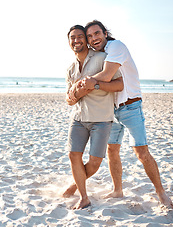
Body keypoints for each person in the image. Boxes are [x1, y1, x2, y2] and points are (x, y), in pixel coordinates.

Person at [81, 20, 173, 208]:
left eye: (97, 33)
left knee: (141, 152)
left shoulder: (116, 46)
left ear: (105, 33)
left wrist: (83, 84)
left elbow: (107, 75)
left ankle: (161, 192)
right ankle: (117, 190)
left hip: (131, 107)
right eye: (90, 36)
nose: (94, 38)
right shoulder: (98, 55)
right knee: (112, 150)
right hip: (111, 110)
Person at [65, 25, 123, 209]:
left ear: (86, 39)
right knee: (74, 155)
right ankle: (84, 197)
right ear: (69, 42)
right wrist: (72, 96)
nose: (76, 41)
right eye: (72, 38)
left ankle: (76, 183)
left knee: (95, 162)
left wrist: (94, 85)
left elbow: (120, 84)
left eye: (80, 36)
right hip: (78, 119)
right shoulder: (71, 68)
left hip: (101, 119)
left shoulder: (101, 59)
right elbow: (69, 99)